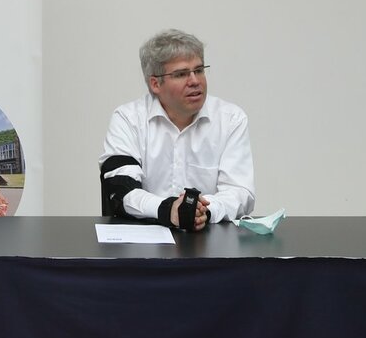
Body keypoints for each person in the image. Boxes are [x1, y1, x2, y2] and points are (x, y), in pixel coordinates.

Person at [99, 29, 254, 231]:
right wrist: (168, 210)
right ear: (155, 84)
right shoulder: (128, 119)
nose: (195, 81)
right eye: (181, 74)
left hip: (208, 239)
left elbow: (240, 192)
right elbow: (121, 189)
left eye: (199, 70)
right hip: (143, 240)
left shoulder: (231, 119)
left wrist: (204, 211)